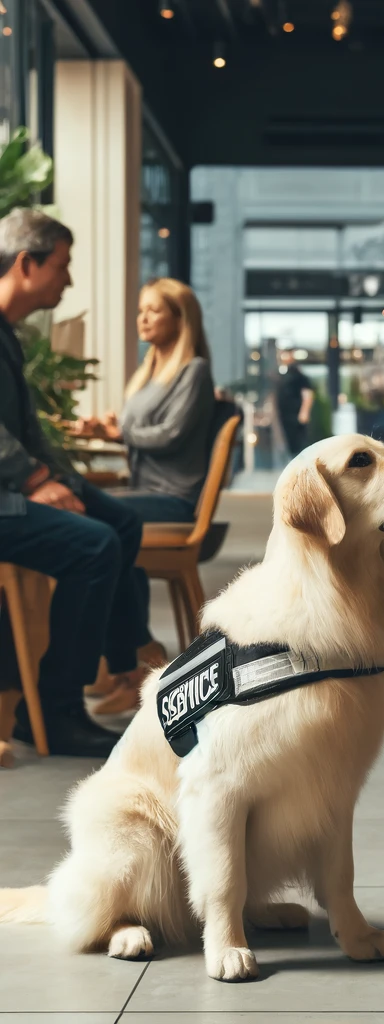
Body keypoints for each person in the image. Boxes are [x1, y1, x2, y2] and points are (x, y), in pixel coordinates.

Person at [0, 209, 144, 758]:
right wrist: (37, 480)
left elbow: (28, 430)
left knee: (120, 521)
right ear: (26, 264)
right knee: (94, 546)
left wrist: (62, 480)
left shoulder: (8, 336)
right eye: (62, 266)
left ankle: (121, 668)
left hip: (14, 488)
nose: (69, 280)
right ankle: (56, 712)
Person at [74, 278, 215, 714]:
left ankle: (128, 661)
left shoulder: (193, 370)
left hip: (172, 498)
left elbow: (170, 435)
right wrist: (110, 429)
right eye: (141, 311)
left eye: (154, 310)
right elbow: (141, 432)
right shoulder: (152, 368)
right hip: (144, 490)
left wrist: (120, 431)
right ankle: (131, 660)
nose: (144, 318)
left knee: (96, 522)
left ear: (181, 316)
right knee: (108, 532)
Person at [276, 346, 315, 455]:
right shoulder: (281, 374)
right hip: (284, 415)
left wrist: (304, 412)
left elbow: (307, 395)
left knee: (298, 445)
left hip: (295, 414)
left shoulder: (298, 375)